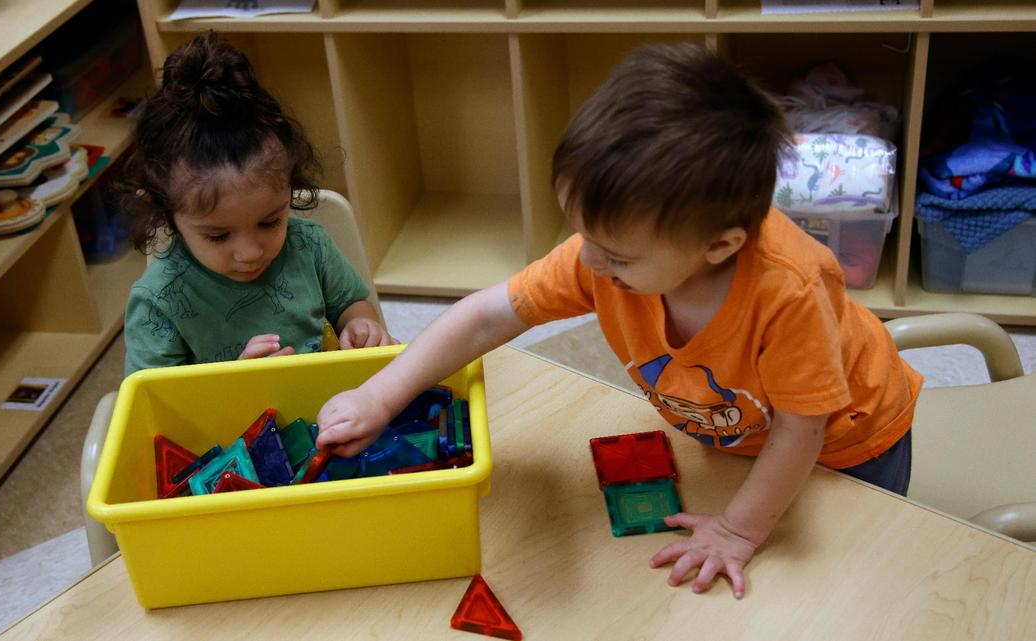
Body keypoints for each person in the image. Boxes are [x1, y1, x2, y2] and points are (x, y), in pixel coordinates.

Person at [313, 43, 921, 599]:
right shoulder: (606, 256)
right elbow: (483, 318)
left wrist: (737, 531)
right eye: (583, 236)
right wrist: (381, 395)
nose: (590, 263)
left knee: (842, 587)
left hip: (849, 440)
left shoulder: (788, 293)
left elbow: (800, 433)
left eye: (616, 254)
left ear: (718, 245)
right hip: (741, 433)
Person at [118, 33, 395, 376]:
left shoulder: (309, 245)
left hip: (329, 406)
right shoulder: (158, 303)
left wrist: (360, 325)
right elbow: (154, 403)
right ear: (169, 215)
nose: (250, 253)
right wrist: (240, 384)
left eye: (269, 222)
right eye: (218, 236)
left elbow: (351, 304)